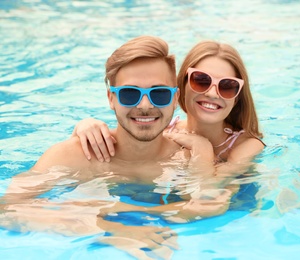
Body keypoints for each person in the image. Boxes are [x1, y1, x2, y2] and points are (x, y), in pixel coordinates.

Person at [0, 35, 232, 260]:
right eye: (129, 94)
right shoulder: (73, 156)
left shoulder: (189, 159)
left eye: (159, 93)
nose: (144, 105)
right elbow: (7, 210)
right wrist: (107, 229)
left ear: (175, 98)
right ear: (111, 98)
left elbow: (208, 208)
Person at [72, 40, 265, 178]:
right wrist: (85, 126)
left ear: (237, 95)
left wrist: (202, 148)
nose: (213, 93)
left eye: (227, 86)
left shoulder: (247, 145)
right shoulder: (166, 127)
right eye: (201, 80)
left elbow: (209, 192)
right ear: (180, 89)